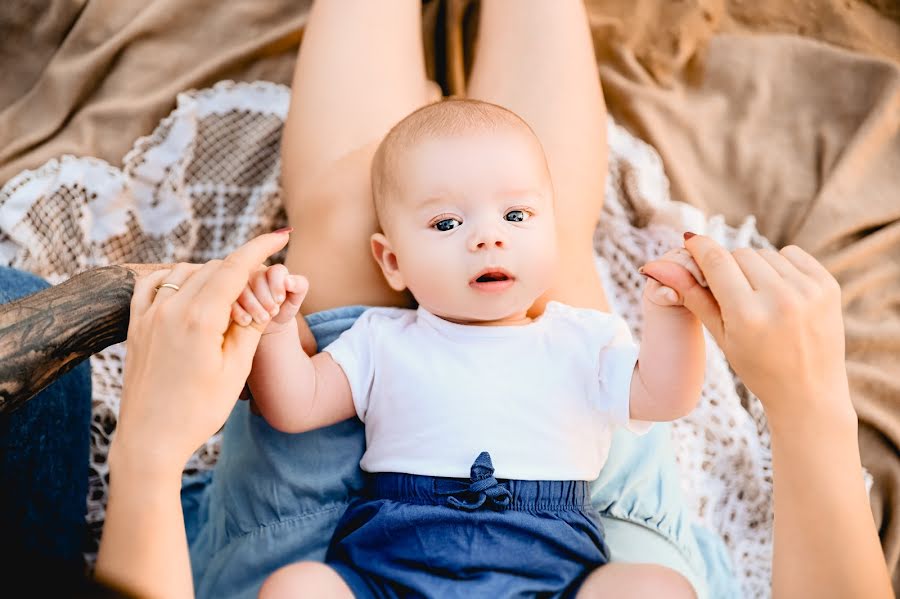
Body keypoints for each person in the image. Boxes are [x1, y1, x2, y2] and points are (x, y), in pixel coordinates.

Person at [234, 97, 706, 598]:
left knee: (656, 587)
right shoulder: (381, 338)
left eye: (516, 214)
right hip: (391, 568)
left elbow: (665, 395)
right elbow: (293, 406)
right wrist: (274, 327)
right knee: (298, 587)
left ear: (554, 234)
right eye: (446, 224)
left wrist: (674, 314)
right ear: (392, 261)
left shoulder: (585, 339)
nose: (488, 237)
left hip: (552, 569)